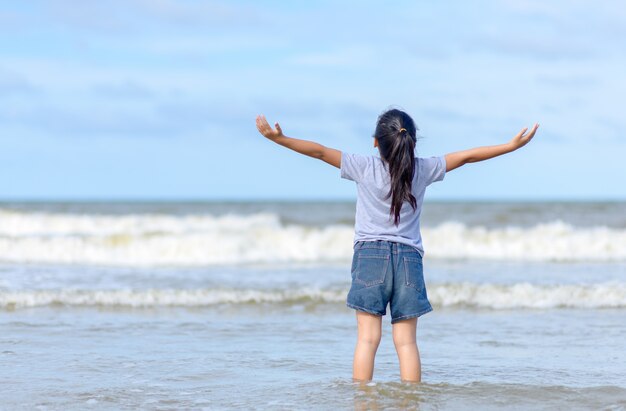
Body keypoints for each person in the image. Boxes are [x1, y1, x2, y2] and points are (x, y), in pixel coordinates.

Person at [255, 108, 539, 383]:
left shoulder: (363, 166)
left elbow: (318, 151)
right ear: (412, 142)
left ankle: (363, 404)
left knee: (367, 339)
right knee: (407, 344)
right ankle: (410, 404)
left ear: (376, 141)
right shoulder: (423, 169)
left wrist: (280, 139)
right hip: (408, 260)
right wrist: (510, 146)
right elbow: (466, 157)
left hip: (370, 257)